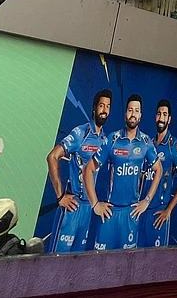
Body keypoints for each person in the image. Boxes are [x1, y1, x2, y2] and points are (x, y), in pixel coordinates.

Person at [87, 94, 163, 250]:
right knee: (100, 264)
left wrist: (146, 201)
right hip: (109, 213)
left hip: (131, 214)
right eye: (130, 110)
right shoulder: (112, 139)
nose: (133, 114)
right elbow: (89, 169)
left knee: (126, 267)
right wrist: (95, 204)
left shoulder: (146, 142)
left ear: (140, 115)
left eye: (136, 111)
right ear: (125, 114)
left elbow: (159, 170)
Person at [46, 88, 112, 252]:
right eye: (101, 106)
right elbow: (52, 157)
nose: (104, 110)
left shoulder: (105, 139)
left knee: (76, 264)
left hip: (88, 209)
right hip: (72, 207)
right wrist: (60, 196)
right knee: (56, 262)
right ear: (94, 108)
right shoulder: (80, 133)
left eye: (108, 106)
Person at [139, 99, 177, 247]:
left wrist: (169, 209)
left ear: (169, 119)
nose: (161, 118)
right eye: (159, 114)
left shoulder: (173, 145)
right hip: (142, 209)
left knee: (155, 262)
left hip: (159, 212)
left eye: (164, 115)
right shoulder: (148, 143)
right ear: (155, 117)